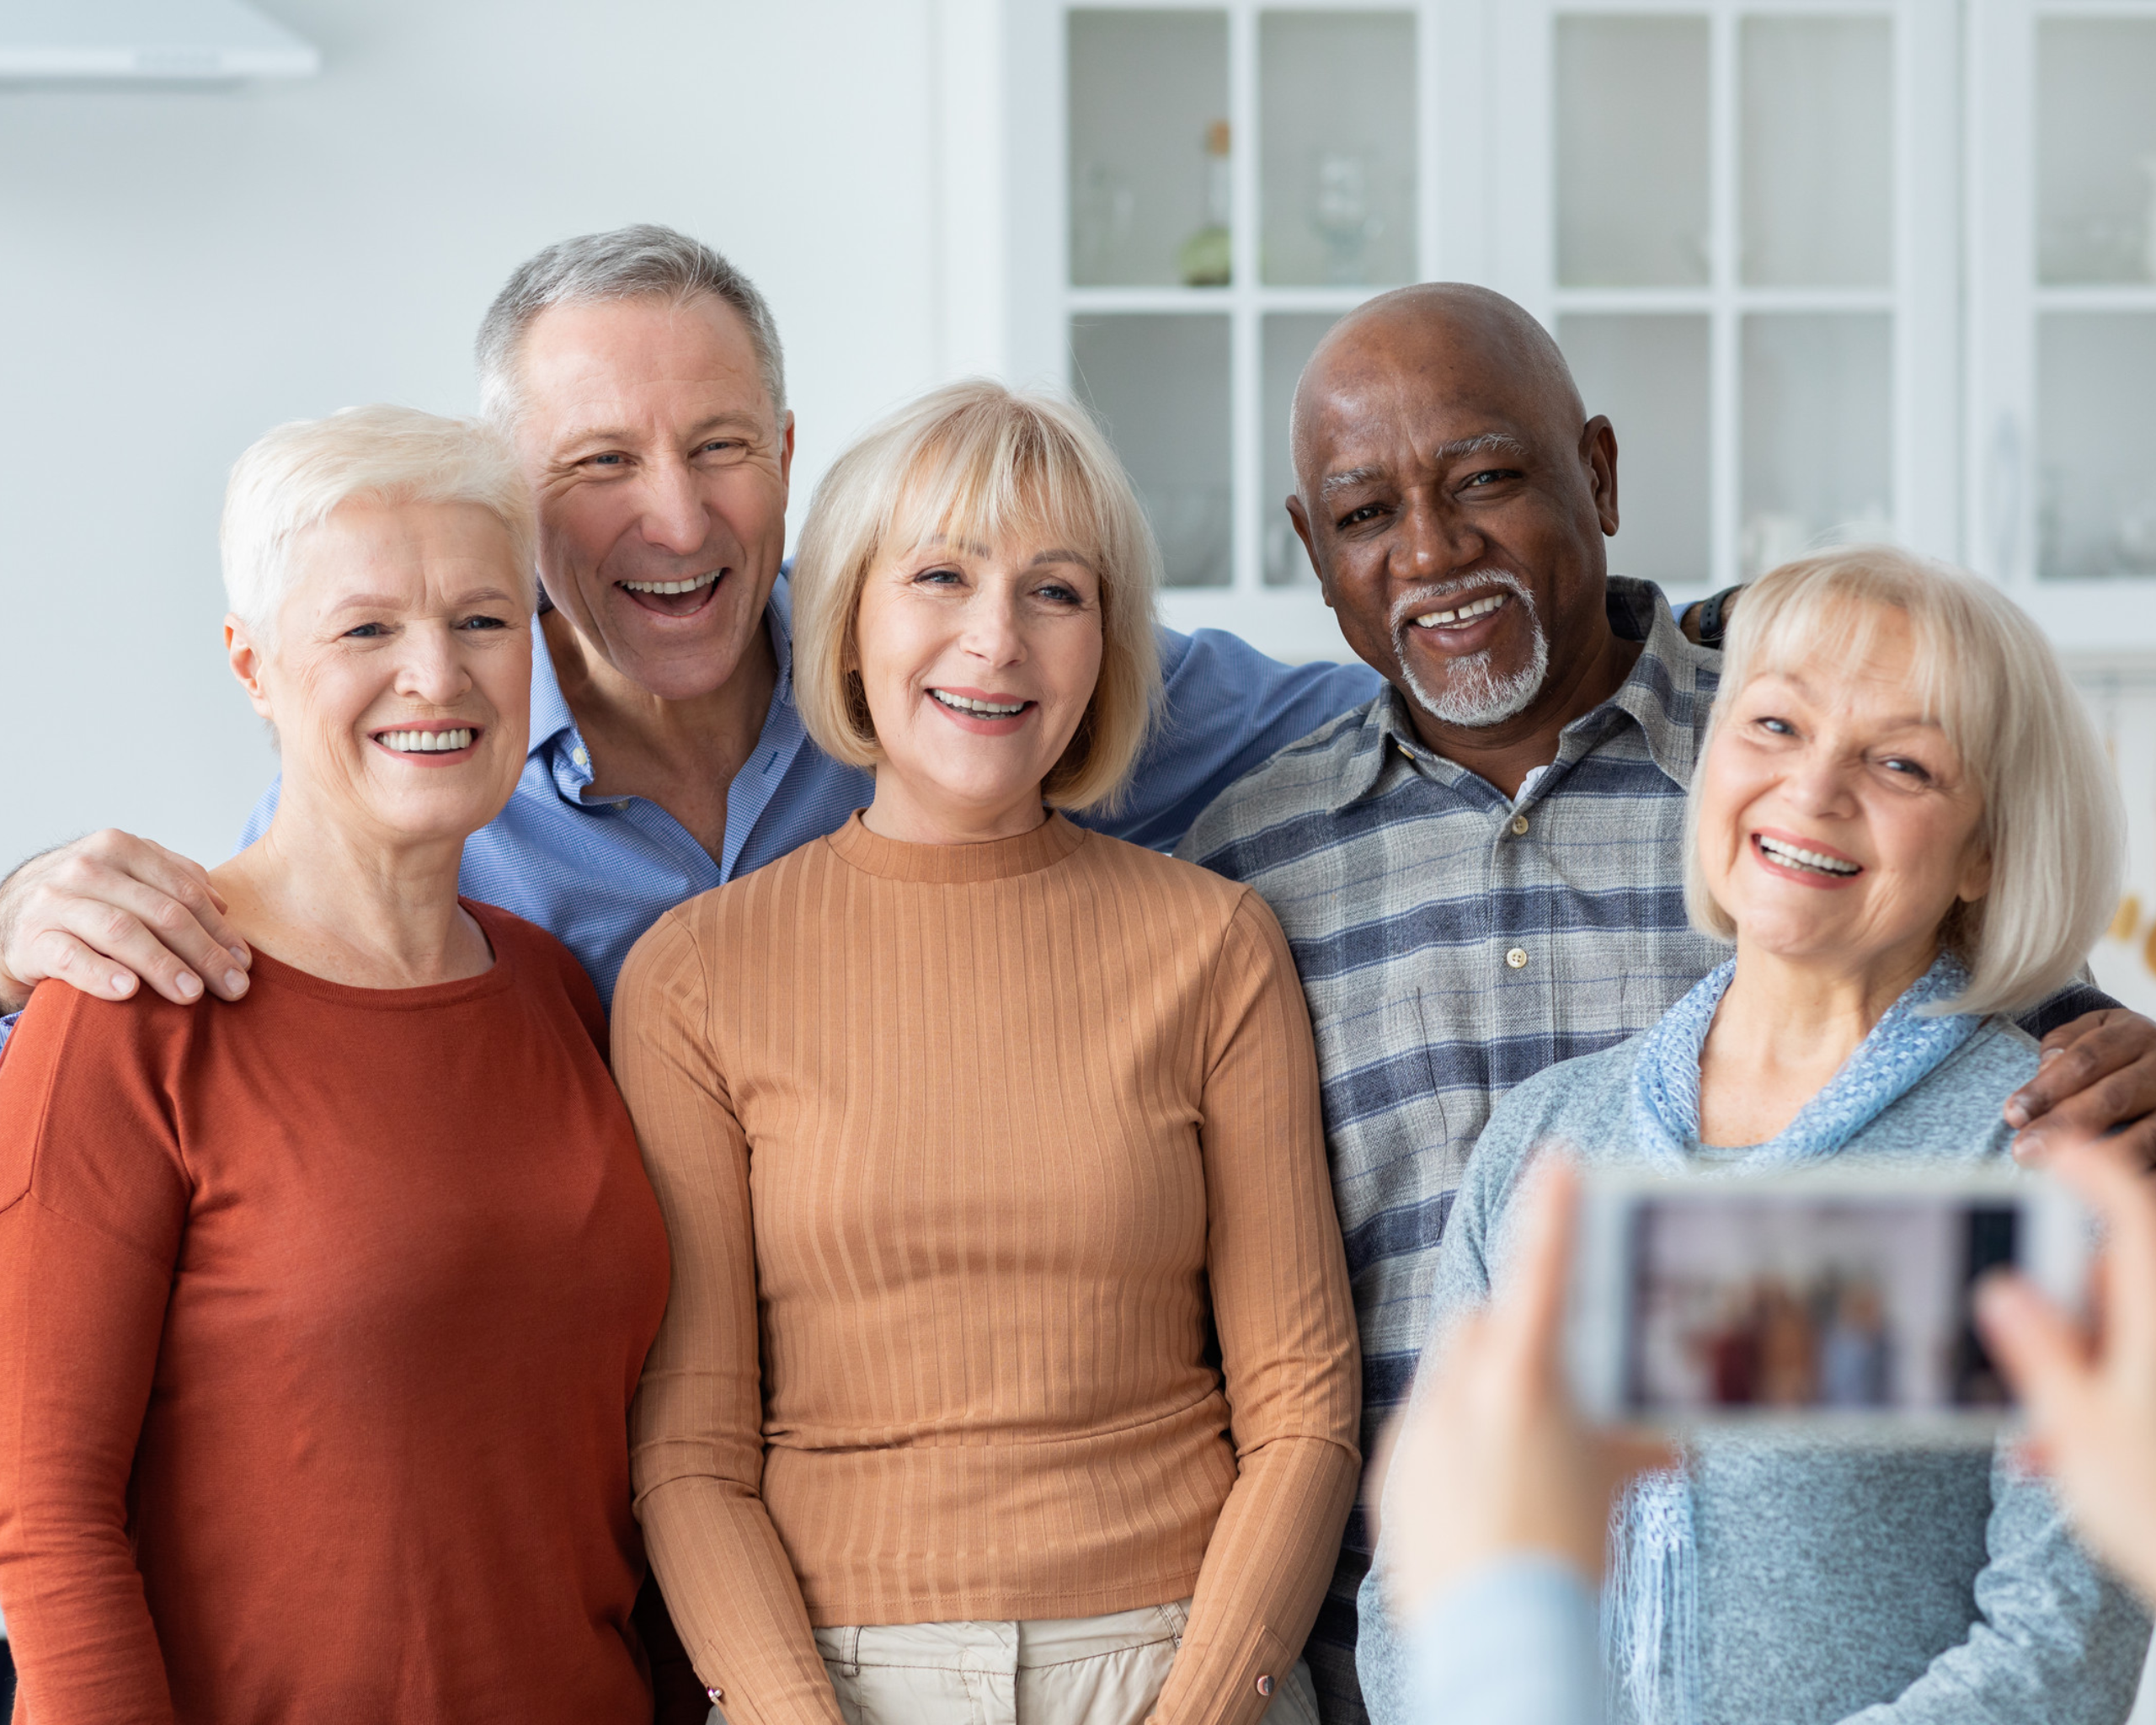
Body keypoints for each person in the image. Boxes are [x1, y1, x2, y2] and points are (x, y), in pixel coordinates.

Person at [1174, 280, 2156, 1721]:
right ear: (1312, 551)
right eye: (1368, 512)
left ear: (1602, 476)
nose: (1436, 550)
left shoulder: (1773, 761)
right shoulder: (1256, 874)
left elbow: (2057, 1619)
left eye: (1489, 480)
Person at [0, 224, 1382, 1032]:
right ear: (510, 493)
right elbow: (214, 998)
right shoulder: (428, 764)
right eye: (601, 464)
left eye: (719, 448)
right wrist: (16, 929)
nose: (676, 520)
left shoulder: (947, 684)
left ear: (786, 455)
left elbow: (1386, 708)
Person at [611, 381, 1361, 1725]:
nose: (994, 641)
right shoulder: (694, 977)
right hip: (829, 1680)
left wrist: (1199, 1710)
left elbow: (1301, 1405)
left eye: (1056, 592)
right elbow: (690, 1452)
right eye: (940, 577)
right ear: (846, 624)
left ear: (1109, 646)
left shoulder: (1215, 945)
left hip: (1179, 1661)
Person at [1357, 547, 2150, 1725]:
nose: (1816, 789)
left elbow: (2058, 1648)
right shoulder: (1546, 1140)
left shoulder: (2041, 1174)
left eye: (1902, 761)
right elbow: (1420, 1585)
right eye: (1774, 724)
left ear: (1987, 850)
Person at [0, 407, 696, 1722]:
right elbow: (48, 1530)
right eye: (366, 629)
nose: (435, 675)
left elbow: (615, 1476)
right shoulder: (130, 1010)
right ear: (252, 665)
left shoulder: (552, 992)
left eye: (482, 621)